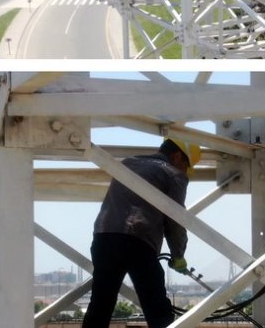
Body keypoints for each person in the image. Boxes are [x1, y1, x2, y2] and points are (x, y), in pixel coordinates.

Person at [82, 138, 201, 328]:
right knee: (158, 309)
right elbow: (175, 219)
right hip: (138, 241)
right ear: (178, 156)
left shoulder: (128, 163)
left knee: (100, 305)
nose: (185, 170)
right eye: (186, 165)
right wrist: (178, 255)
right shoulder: (174, 175)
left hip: (104, 238)